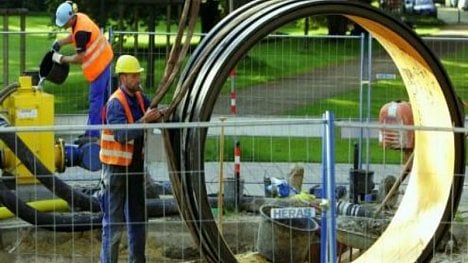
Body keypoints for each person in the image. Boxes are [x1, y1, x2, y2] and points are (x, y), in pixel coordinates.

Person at [99, 54, 163, 263]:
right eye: (134, 75)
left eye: (138, 74)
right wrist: (145, 120)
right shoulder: (115, 103)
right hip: (116, 170)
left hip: (135, 167)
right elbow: (121, 135)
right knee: (113, 223)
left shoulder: (138, 97)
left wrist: (162, 113)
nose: (138, 79)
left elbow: (152, 111)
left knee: (137, 219)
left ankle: (137, 260)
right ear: (123, 77)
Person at [52, 1, 114, 142]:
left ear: (71, 18)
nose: (64, 26)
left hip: (99, 67)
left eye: (65, 23)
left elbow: (80, 58)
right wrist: (60, 42)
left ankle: (92, 136)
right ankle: (94, 132)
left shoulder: (81, 31)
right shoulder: (79, 18)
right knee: (102, 100)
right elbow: (74, 36)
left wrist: (61, 59)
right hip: (105, 59)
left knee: (95, 102)